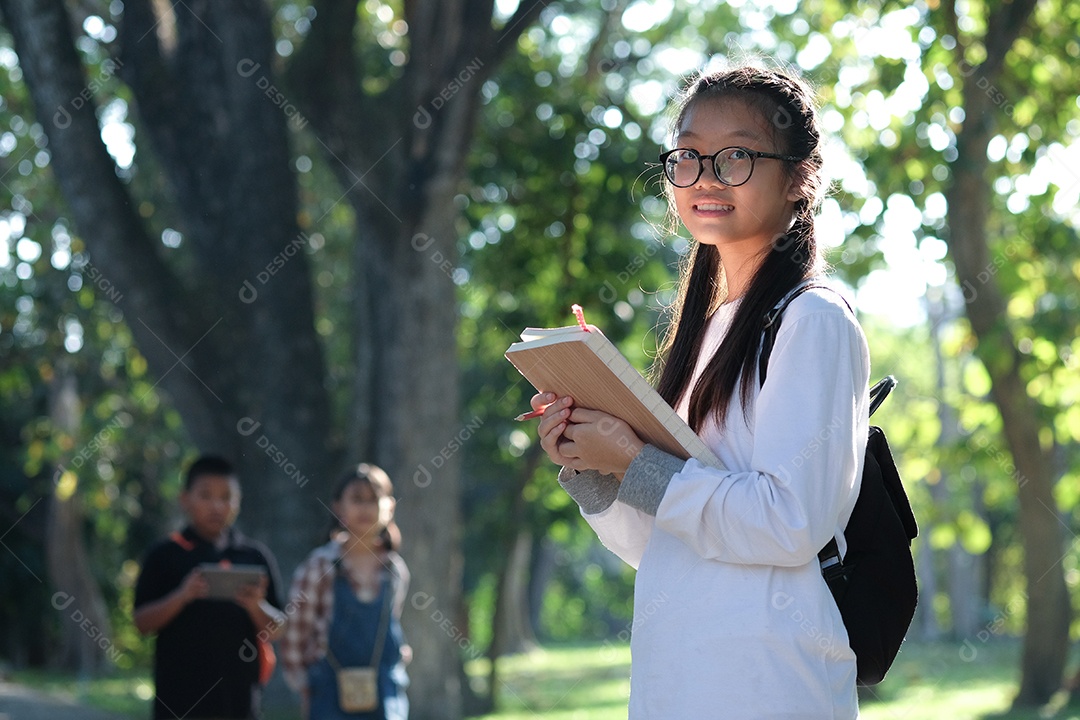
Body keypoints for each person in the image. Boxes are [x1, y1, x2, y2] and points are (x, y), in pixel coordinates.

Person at [532, 63, 869, 719]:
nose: (705, 177)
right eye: (687, 156)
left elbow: (790, 523)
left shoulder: (813, 321)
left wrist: (634, 459)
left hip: (767, 687)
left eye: (735, 156)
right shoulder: (703, 336)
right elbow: (658, 542)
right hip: (676, 682)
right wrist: (589, 462)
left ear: (798, 177)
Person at [134, 455, 286, 719]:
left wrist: (255, 605)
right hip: (178, 704)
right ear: (185, 499)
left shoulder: (254, 557)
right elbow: (142, 622)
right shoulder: (164, 555)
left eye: (226, 497)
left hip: (240, 703)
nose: (217, 506)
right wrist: (182, 596)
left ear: (238, 501)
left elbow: (279, 628)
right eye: (205, 495)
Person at [281, 463, 411, 720]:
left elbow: (390, 625)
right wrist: (305, 686)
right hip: (329, 693)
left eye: (373, 499)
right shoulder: (320, 565)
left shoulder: (394, 569)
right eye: (356, 499)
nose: (365, 508)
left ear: (390, 507)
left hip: (383, 693)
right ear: (339, 507)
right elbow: (296, 631)